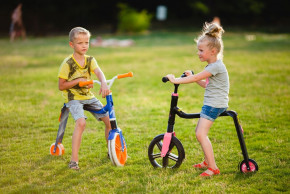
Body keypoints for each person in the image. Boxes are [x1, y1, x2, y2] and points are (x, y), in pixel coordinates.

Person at [166, 22, 229, 177]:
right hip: (214, 103)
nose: (198, 53)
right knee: (199, 132)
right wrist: (193, 78)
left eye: (201, 50)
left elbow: (197, 77)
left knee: (201, 134)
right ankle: (207, 161)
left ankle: (213, 167)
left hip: (214, 105)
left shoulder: (213, 67)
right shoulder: (214, 66)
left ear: (213, 51)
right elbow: (206, 85)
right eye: (198, 50)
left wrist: (175, 80)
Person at [58, 27, 111, 170]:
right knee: (81, 123)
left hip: (88, 96)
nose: (84, 46)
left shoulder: (90, 60)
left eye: (86, 42)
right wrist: (78, 81)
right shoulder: (68, 63)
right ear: (72, 45)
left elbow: (99, 72)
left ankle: (110, 152)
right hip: (73, 98)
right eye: (80, 43)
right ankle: (74, 161)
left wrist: (104, 83)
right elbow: (61, 86)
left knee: (109, 121)